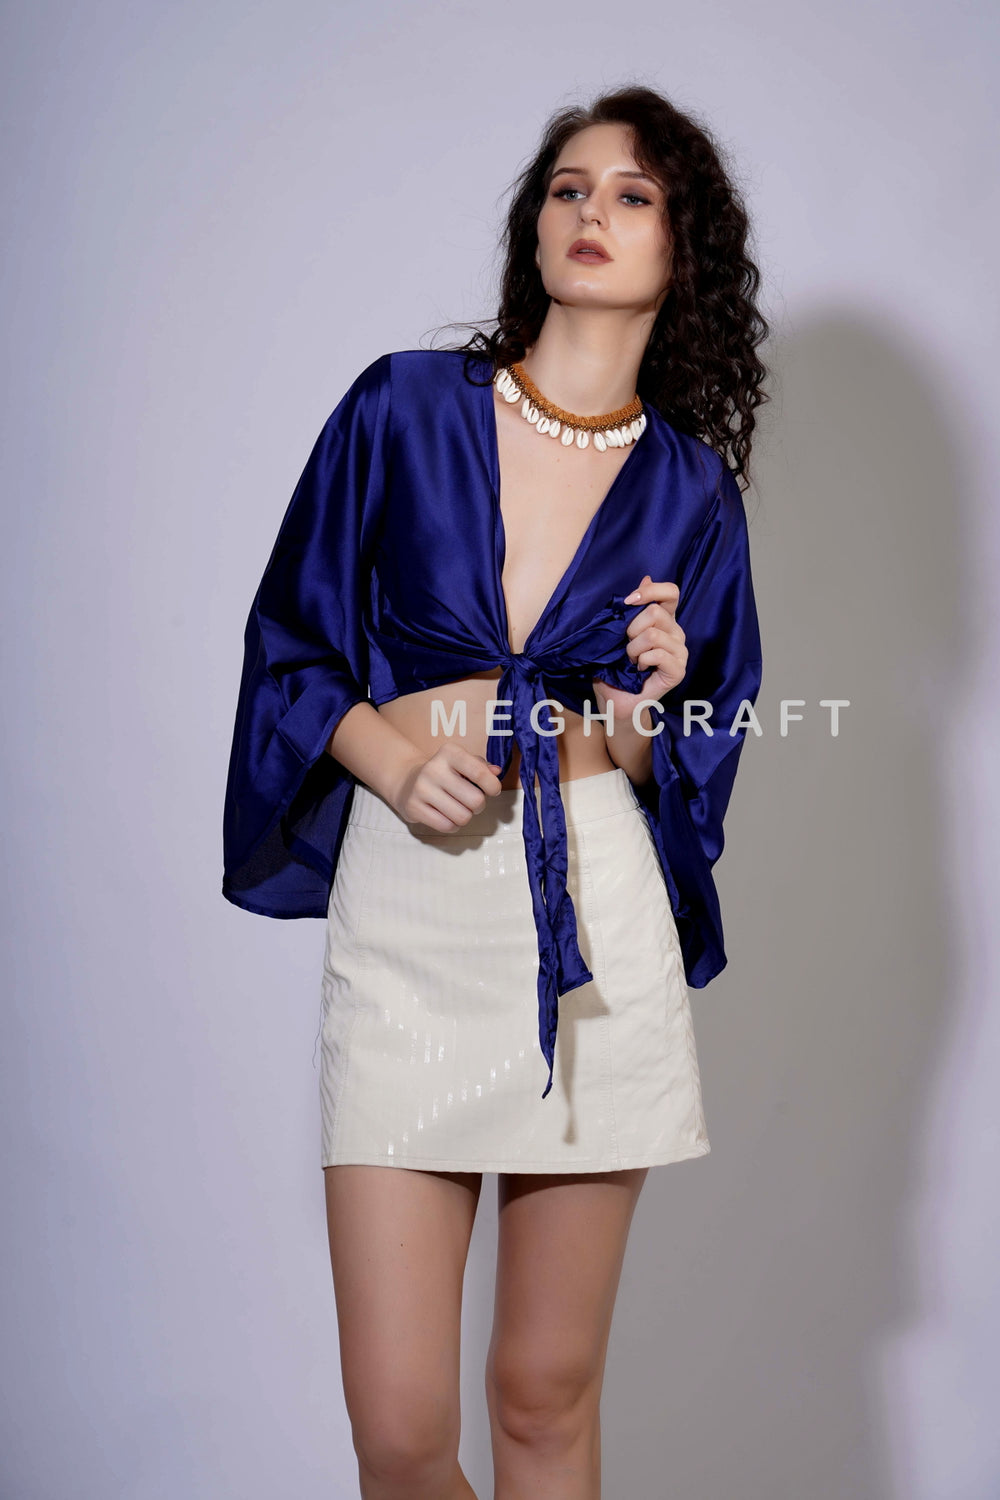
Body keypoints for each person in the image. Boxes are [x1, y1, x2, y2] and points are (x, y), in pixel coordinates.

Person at [222, 83, 768, 1500]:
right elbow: (291, 646)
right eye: (569, 188)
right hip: (413, 918)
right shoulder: (402, 407)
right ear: (535, 226)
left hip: (593, 922)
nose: (592, 212)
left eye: (634, 196)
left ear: (683, 250)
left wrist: (648, 707)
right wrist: (397, 765)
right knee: (403, 1434)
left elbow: (686, 759)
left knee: (541, 1396)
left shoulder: (692, 491)